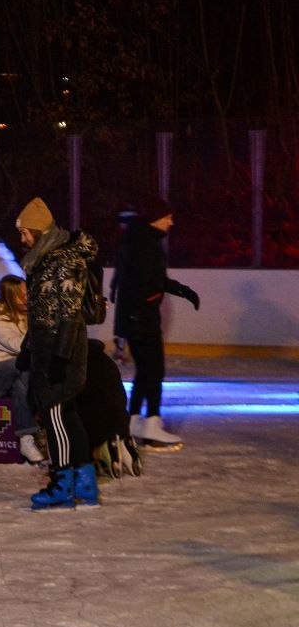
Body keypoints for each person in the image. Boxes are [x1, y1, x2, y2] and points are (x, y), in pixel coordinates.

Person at [14, 197, 100, 509]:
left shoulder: (65, 260)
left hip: (61, 353)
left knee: (56, 419)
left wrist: (61, 359)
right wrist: (27, 349)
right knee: (68, 416)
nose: (22, 239)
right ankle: (86, 482)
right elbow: (42, 314)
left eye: (25, 233)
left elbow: (69, 314)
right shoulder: (43, 259)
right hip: (47, 348)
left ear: (39, 230)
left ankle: (62, 482)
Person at [111, 195, 200, 447]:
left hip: (136, 317)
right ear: (156, 218)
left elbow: (150, 279)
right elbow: (140, 283)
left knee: (144, 371)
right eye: (168, 217)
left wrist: (183, 291)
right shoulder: (145, 243)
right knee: (155, 370)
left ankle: (134, 418)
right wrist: (144, 308)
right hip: (142, 318)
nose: (171, 222)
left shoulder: (139, 239)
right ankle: (151, 421)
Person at [0, 275, 44, 465]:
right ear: (10, 297)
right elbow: (19, 346)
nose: (27, 298)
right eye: (22, 295)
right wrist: (40, 328)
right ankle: (30, 435)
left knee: (22, 382)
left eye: (28, 293)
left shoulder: (27, 316)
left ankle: (27, 439)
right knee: (21, 365)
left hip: (16, 375)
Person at [76, 338, 143, 480]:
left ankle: (99, 452)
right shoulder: (106, 361)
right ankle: (123, 444)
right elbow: (121, 396)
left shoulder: (74, 363)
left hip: (92, 428)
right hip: (119, 423)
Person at [108, 206, 139, 364]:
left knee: (123, 321)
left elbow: (121, 266)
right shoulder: (135, 240)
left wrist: (114, 286)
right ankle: (122, 349)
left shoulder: (128, 241)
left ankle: (121, 350)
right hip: (131, 288)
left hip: (128, 289)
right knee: (126, 321)